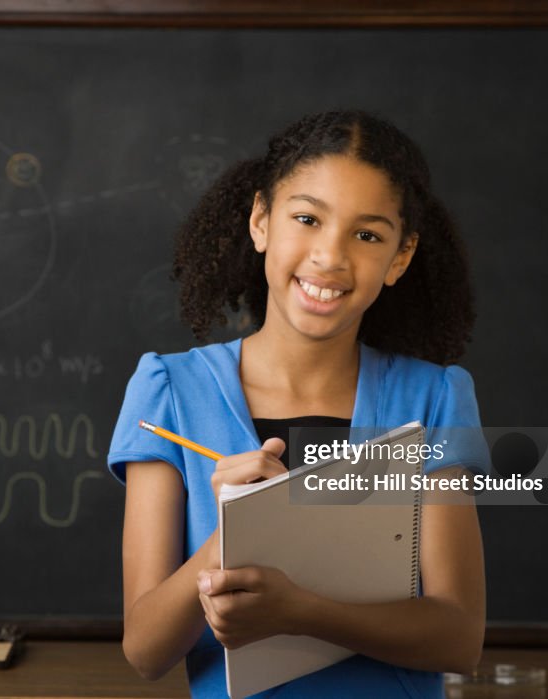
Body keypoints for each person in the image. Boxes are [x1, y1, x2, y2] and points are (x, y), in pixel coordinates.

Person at [107, 110, 489, 698]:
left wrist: (301, 610)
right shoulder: (170, 391)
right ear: (261, 221)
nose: (330, 257)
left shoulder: (433, 399)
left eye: (367, 235)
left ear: (401, 256)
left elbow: (457, 637)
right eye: (307, 218)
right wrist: (232, 537)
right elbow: (146, 649)